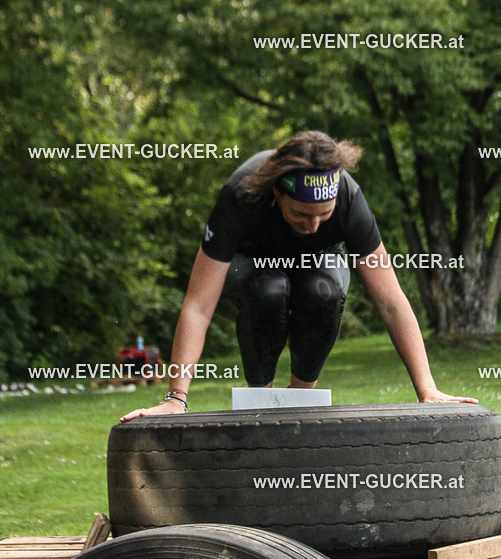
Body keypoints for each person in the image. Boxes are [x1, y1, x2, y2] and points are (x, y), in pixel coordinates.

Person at [121, 131, 476, 420]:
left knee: (323, 290)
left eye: (324, 214)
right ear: (277, 192)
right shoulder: (242, 194)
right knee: (270, 289)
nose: (313, 225)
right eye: (301, 215)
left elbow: (392, 303)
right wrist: (175, 399)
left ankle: (300, 400)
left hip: (321, 264)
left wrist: (428, 390)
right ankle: (261, 398)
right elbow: (198, 305)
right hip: (253, 264)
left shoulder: (349, 197)